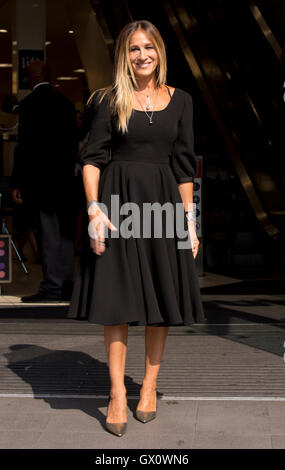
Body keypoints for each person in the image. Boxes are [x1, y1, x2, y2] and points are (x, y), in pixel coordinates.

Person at [67, 20, 206, 436]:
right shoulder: (108, 100)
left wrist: (189, 221)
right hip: (117, 205)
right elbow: (92, 159)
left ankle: (148, 387)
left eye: (148, 47)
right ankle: (114, 393)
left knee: (161, 300)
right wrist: (94, 211)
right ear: (123, 56)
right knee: (117, 303)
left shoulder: (181, 101)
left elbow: (184, 167)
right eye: (133, 49)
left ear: (160, 52)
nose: (142, 55)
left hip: (164, 206)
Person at [10, 60, 78, 301]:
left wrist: (17, 182)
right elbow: (73, 145)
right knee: (66, 234)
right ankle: (68, 283)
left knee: (47, 234)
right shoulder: (67, 104)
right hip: (65, 181)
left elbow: (24, 148)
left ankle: (53, 285)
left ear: (29, 78)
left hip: (40, 183)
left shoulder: (28, 106)